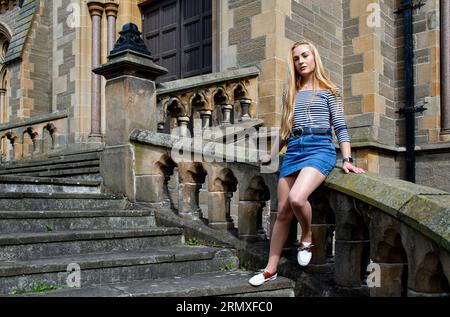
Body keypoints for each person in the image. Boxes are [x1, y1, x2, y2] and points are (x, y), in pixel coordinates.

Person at [249, 40, 365, 287]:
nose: (300, 61)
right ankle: (271, 269)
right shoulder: (290, 91)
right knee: (282, 212)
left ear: (314, 58)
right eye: (296, 58)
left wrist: (347, 159)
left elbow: (341, 128)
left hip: (319, 148)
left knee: (297, 199)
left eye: (305, 55)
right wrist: (271, 154)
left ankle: (307, 236)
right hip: (293, 150)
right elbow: (285, 129)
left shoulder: (329, 90)